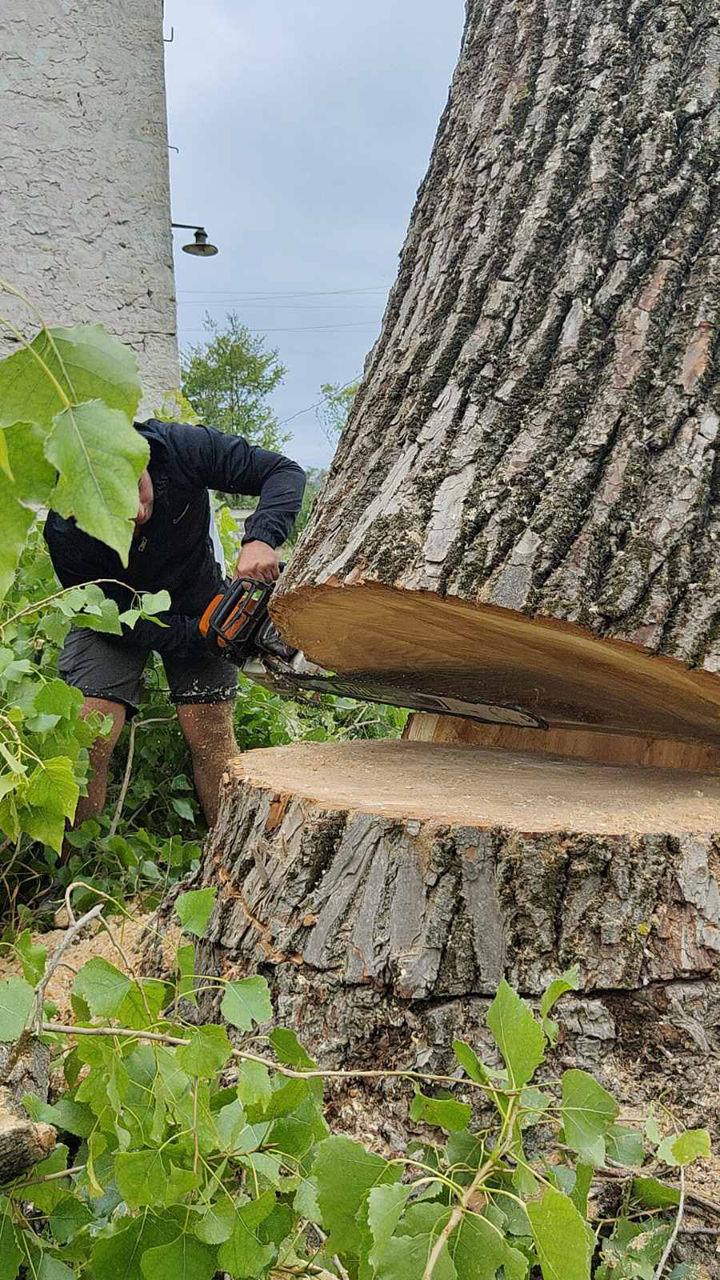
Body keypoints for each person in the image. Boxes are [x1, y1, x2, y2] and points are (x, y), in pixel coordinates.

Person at [44, 418, 306, 829]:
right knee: (90, 736)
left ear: (144, 458)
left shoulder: (181, 447)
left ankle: (228, 850)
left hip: (198, 593)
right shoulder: (65, 532)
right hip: (115, 615)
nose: (135, 512)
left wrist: (261, 537)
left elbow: (283, 472)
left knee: (211, 733)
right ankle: (77, 865)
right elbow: (100, 612)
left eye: (137, 489)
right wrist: (187, 633)